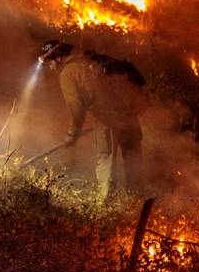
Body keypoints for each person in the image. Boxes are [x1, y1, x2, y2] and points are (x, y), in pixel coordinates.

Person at [39, 41, 149, 200]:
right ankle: (137, 200)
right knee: (134, 160)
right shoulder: (90, 60)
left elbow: (76, 108)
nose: (50, 68)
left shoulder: (68, 73)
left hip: (107, 119)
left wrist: (72, 134)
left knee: (106, 160)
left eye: (49, 63)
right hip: (129, 115)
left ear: (57, 58)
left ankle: (107, 204)